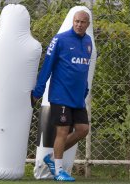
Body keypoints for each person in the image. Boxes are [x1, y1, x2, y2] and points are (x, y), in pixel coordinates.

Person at [31, 10, 92, 182]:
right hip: (60, 95)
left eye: (83, 22)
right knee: (63, 131)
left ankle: (51, 158)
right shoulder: (60, 39)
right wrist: (38, 92)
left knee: (83, 130)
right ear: (73, 22)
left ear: (87, 24)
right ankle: (57, 171)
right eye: (77, 21)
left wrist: (85, 90)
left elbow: (84, 69)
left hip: (77, 98)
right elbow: (47, 66)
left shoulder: (88, 42)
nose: (79, 24)